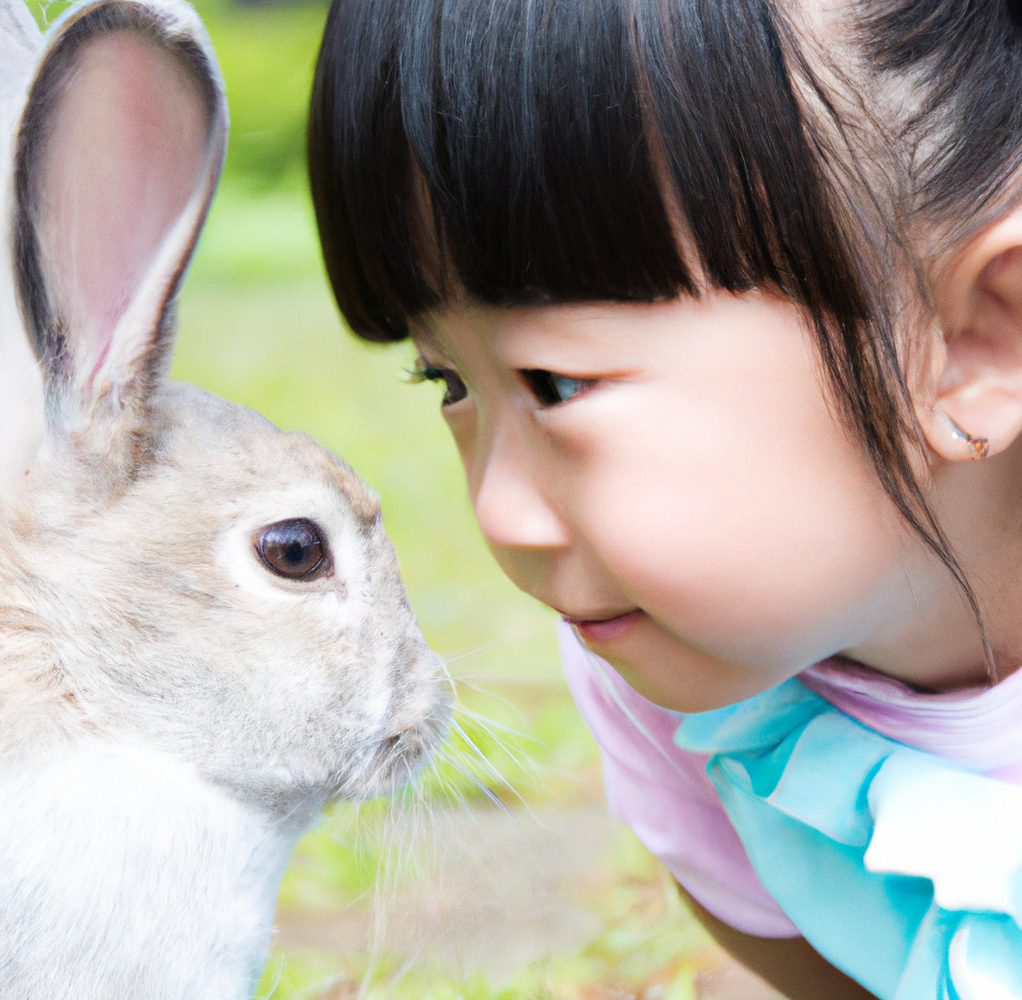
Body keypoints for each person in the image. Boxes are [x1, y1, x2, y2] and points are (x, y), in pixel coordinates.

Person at [306, 0, 1022, 996]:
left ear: (978, 339)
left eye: (555, 383)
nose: (501, 516)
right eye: (447, 380)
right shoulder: (682, 687)